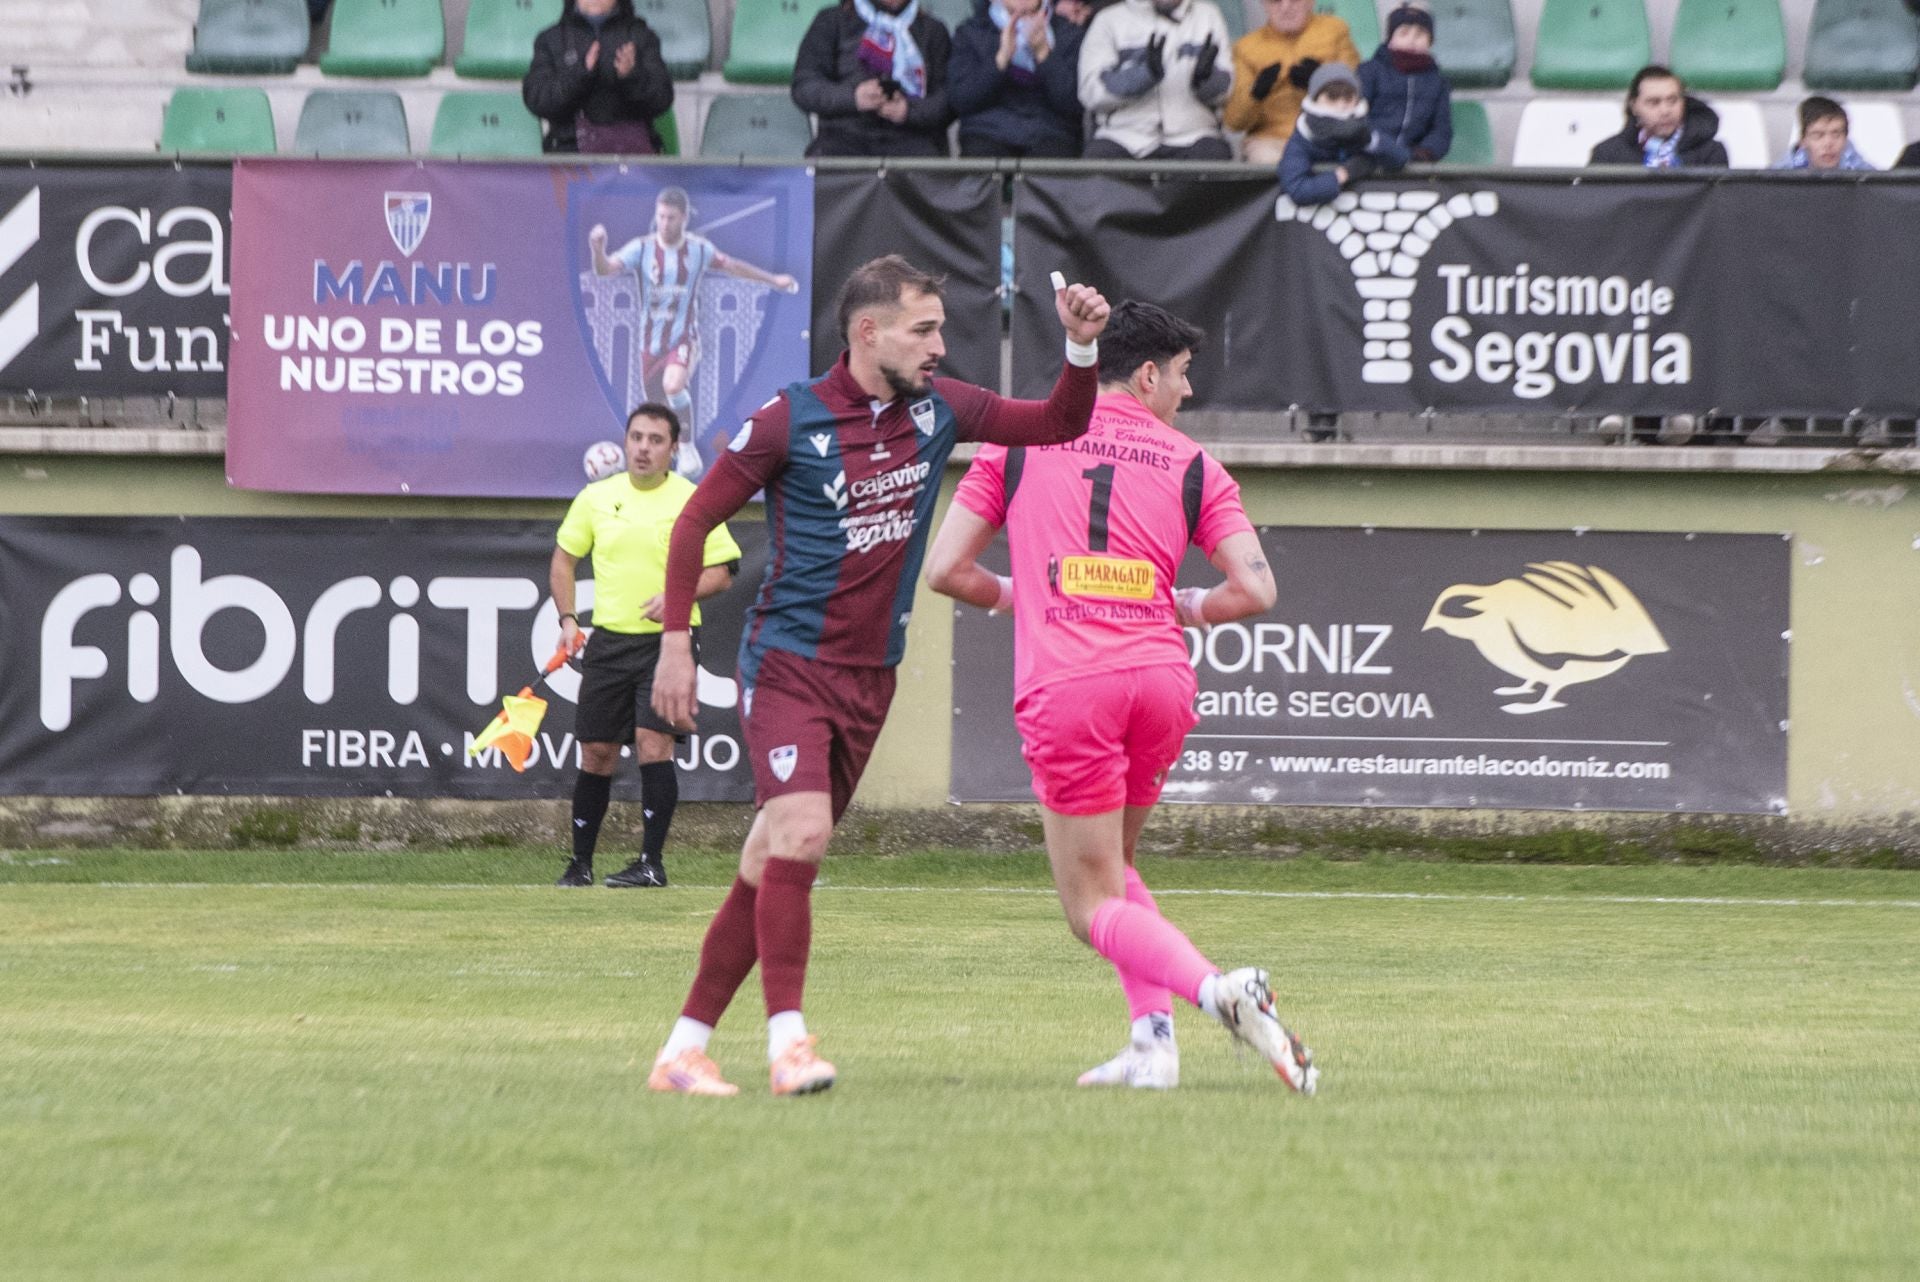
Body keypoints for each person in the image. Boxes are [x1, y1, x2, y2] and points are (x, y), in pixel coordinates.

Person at [643, 257, 1113, 1097]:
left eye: (940, 330)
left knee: (770, 858)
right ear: (868, 332)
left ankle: (683, 1051)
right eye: (923, 330)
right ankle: (789, 1045)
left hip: (871, 678)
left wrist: (1080, 348)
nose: (940, 346)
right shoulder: (788, 419)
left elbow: (1058, 424)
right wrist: (676, 643)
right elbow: (693, 521)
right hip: (789, 663)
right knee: (802, 835)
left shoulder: (940, 409)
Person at [923, 300, 1316, 1094]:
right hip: (1161, 683)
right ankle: (1152, 1046)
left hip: (1074, 684)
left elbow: (945, 571)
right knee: (1119, 868)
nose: (1187, 392)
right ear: (1145, 375)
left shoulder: (1018, 445)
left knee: (1088, 907)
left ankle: (1217, 991)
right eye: (1183, 375)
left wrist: (1021, 596)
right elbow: (1257, 590)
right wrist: (1190, 606)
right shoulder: (1194, 464)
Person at [550, 404, 742, 889]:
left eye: (656, 440)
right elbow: (563, 561)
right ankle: (580, 864)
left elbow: (723, 571)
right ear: (625, 441)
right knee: (596, 751)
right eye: (636, 437)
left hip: (669, 642)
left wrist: (679, 596)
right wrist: (569, 620)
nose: (643, 448)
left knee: (654, 745)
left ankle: (651, 864)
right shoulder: (596, 497)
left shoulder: (693, 500)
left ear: (673, 449)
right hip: (609, 642)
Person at [588, 186, 800, 481]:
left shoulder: (698, 249)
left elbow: (733, 267)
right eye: (661, 216)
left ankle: (688, 450)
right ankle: (669, 465)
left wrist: (773, 280)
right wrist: (598, 249)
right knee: (658, 411)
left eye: (671, 218)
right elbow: (605, 270)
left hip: (683, 337)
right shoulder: (642, 248)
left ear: (684, 218)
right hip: (650, 345)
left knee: (673, 385)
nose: (664, 223)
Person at [791, 0, 956, 157]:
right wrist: (854, 98)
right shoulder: (832, 21)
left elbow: (949, 100)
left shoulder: (933, 30)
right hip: (843, 142)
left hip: (914, 144)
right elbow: (805, 86)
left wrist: (908, 111)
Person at [1078, 0, 1234, 160]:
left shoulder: (1208, 16)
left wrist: (1205, 81)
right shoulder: (1109, 19)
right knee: (1098, 159)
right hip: (1124, 136)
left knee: (1216, 155)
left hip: (1193, 135)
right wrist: (1142, 76)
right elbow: (1091, 92)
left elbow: (1228, 91)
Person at [523, 0, 674, 155]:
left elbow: (662, 99)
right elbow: (537, 100)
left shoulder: (642, 36)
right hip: (569, 152)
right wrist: (581, 74)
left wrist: (631, 76)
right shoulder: (551, 39)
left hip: (632, 154)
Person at [1225, 0, 1360, 166]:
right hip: (1273, 140)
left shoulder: (1334, 31)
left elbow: (1358, 94)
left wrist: (1321, 82)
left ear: (1311, 2)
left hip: (1327, 136)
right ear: (1264, 5)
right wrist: (1255, 94)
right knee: (1266, 159)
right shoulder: (1246, 48)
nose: (1286, 7)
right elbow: (1234, 123)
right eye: (1275, 1)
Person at [949, 0, 1087, 158]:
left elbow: (1073, 104)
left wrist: (1044, 54)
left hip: (1052, 133)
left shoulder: (1069, 34)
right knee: (981, 156)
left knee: (1053, 159)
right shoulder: (971, 32)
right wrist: (1001, 59)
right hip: (987, 132)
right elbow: (961, 100)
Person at [1357, 4, 1452, 163]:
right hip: (1368, 158)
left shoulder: (1438, 82)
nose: (1412, 40)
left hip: (1413, 162)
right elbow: (1356, 117)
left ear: (1430, 42)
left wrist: (1425, 152)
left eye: (1420, 34)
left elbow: (1441, 129)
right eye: (1404, 33)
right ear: (1390, 39)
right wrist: (1379, 146)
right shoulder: (1369, 71)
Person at [1587, 65, 1728, 169]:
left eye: (1672, 101)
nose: (1665, 111)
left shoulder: (1710, 153)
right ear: (1634, 106)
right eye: (1653, 102)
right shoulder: (1607, 155)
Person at [1775, 96, 1876, 171]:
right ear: (1803, 141)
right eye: (1818, 136)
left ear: (1846, 138)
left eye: (1836, 135)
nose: (1828, 143)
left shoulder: (1868, 177)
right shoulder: (1776, 179)